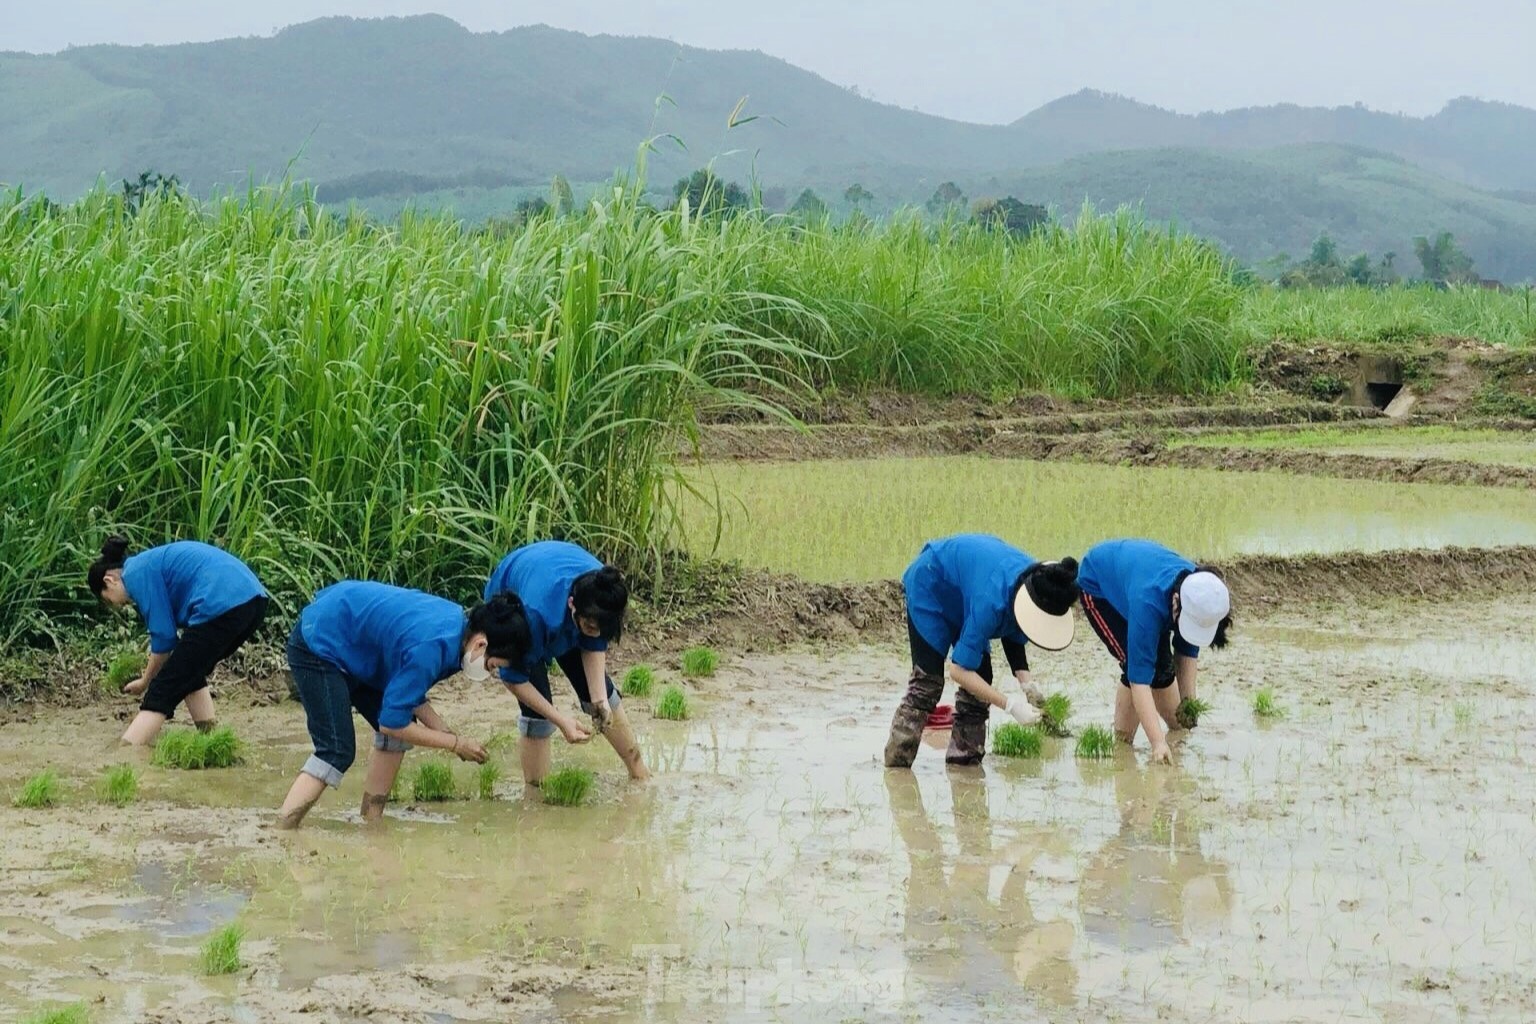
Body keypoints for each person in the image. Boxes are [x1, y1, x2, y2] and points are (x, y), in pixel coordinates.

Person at [274, 582, 530, 828]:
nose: (489, 672)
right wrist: (455, 744)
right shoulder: (432, 647)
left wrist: (445, 732)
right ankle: (283, 828)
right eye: (492, 666)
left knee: (400, 730)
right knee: (336, 750)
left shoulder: (457, 633)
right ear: (481, 644)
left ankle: (371, 820)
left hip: (357, 646)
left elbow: (408, 690)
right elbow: (391, 723)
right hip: (320, 641)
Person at [885, 534, 1081, 768]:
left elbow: (1015, 628)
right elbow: (958, 670)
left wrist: (1027, 683)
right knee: (927, 685)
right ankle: (897, 766)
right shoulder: (991, 600)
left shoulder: (1037, 580)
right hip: (932, 583)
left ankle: (964, 762)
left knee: (981, 681)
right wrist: (1010, 705)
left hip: (968, 592)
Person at [484, 540, 649, 787]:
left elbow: (594, 642)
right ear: (572, 605)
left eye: (602, 629)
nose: (595, 634)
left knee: (604, 698)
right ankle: (536, 794)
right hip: (514, 598)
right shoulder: (533, 617)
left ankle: (640, 773)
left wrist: (599, 702)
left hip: (555, 580)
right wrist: (561, 721)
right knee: (538, 711)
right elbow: (514, 679)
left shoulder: (604, 592)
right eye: (590, 627)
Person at [88, 536, 269, 745]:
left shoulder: (135, 573)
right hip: (253, 602)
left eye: (109, 600)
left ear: (109, 580)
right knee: (188, 670)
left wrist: (146, 681)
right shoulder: (146, 563)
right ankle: (211, 739)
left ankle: (125, 754)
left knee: (162, 689)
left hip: (222, 603)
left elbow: (164, 637)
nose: (118, 605)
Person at [1076, 538, 1233, 765]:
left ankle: (1151, 735)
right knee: (1137, 663)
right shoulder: (1148, 605)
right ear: (1176, 602)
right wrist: (1158, 743)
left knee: (1160, 669)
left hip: (1139, 577)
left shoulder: (1199, 595)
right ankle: (1122, 747)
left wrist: (1189, 704)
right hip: (1100, 588)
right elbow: (1139, 681)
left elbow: (1186, 651)